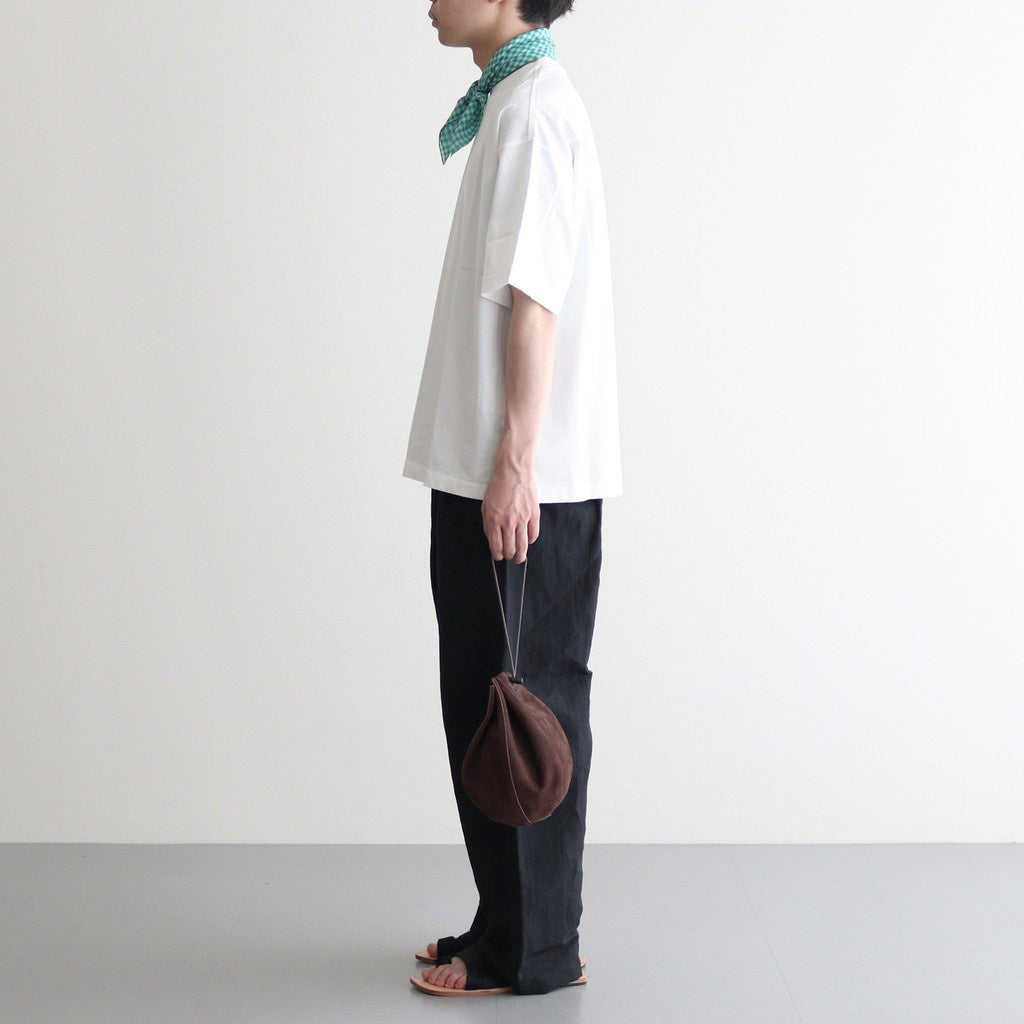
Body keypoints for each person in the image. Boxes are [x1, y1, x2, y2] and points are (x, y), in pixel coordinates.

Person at [403, 0, 621, 997]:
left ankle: (531, 949)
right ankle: (509, 919)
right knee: (493, 699)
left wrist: (517, 464)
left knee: (522, 705)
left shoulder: (532, 108)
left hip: (520, 478)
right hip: (499, 468)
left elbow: (535, 302)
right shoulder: (516, 101)